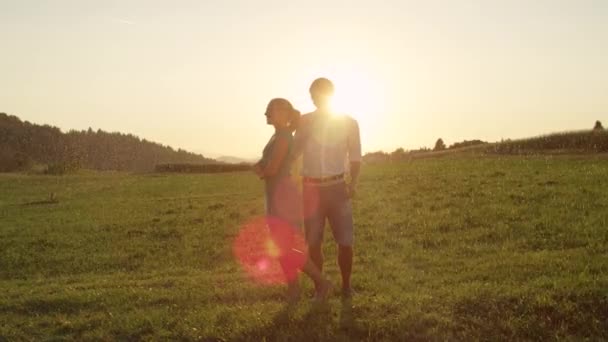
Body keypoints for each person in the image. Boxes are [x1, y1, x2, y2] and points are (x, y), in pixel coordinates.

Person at [253, 97, 332, 302]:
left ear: (284, 113)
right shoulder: (277, 136)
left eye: (270, 109)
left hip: (284, 197)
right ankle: (294, 290)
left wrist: (261, 170)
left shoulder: (284, 137)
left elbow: (270, 168)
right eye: (266, 109)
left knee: (284, 247)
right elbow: (264, 165)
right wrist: (262, 169)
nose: (266, 113)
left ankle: (322, 283)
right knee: (281, 247)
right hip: (275, 194)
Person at [293, 78, 361, 298]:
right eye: (311, 94)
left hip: (338, 187)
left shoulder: (349, 122)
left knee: (345, 241)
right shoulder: (304, 121)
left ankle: (346, 286)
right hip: (310, 188)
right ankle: (319, 288)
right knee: (313, 242)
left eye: (318, 93)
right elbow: (294, 152)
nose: (314, 98)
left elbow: (356, 157)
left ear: (330, 94)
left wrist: (354, 183)